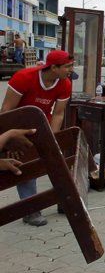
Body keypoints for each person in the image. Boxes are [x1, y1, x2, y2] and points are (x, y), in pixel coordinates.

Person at [1, 50, 74, 226]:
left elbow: (58, 113)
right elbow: (6, 110)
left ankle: (65, 202)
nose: (71, 70)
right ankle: (31, 210)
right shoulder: (24, 77)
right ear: (53, 67)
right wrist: (12, 138)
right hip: (17, 128)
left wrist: (53, 139)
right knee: (26, 166)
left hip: (42, 127)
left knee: (57, 162)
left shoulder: (65, 84)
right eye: (67, 66)